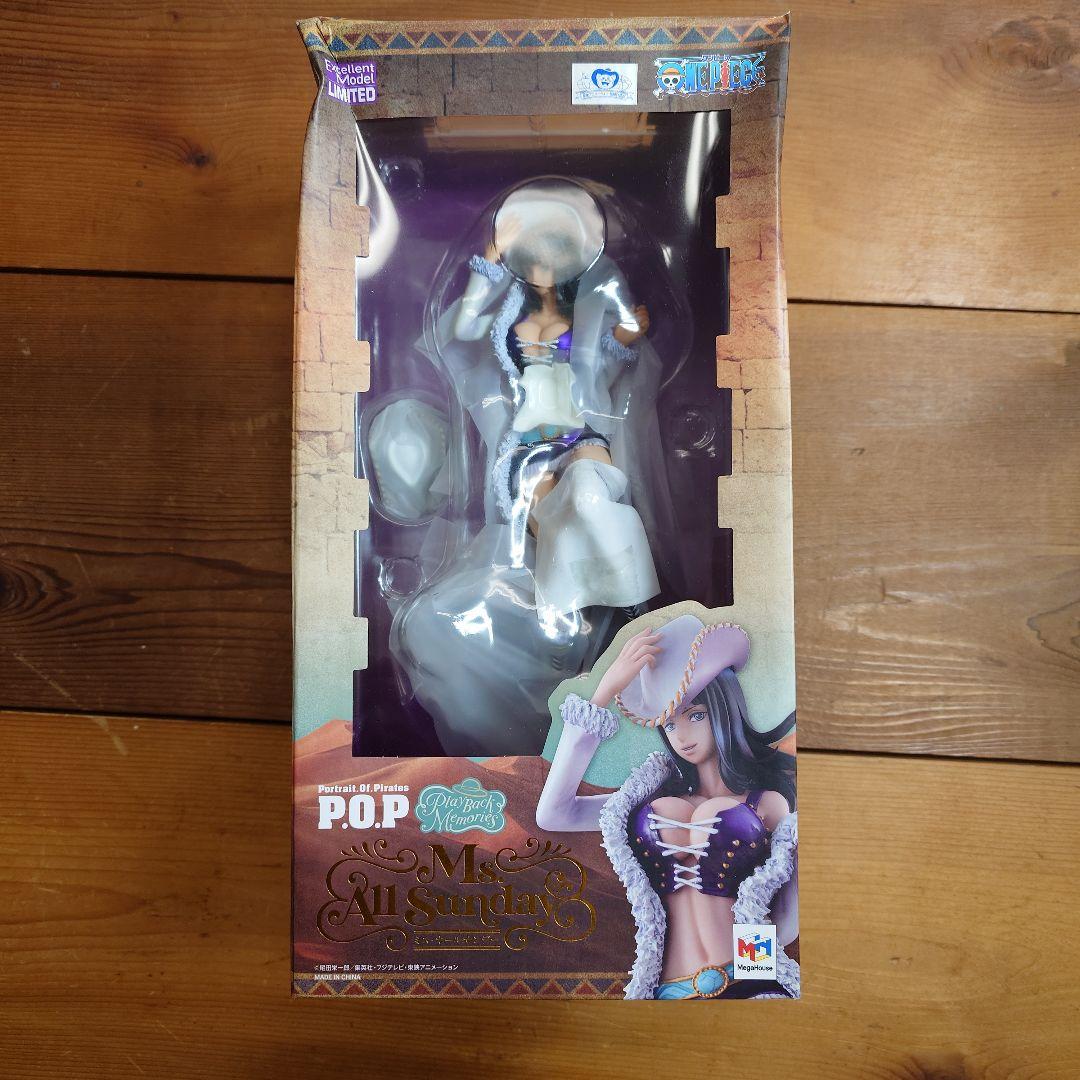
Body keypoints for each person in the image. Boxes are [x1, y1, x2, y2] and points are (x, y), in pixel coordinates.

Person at [536, 613, 799, 999]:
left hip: (751, 982)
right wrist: (604, 691)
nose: (682, 736)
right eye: (670, 724)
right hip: (668, 992)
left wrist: (754, 976)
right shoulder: (644, 802)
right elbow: (554, 813)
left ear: (725, 710)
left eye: (696, 715)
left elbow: (784, 919)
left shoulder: (766, 802)